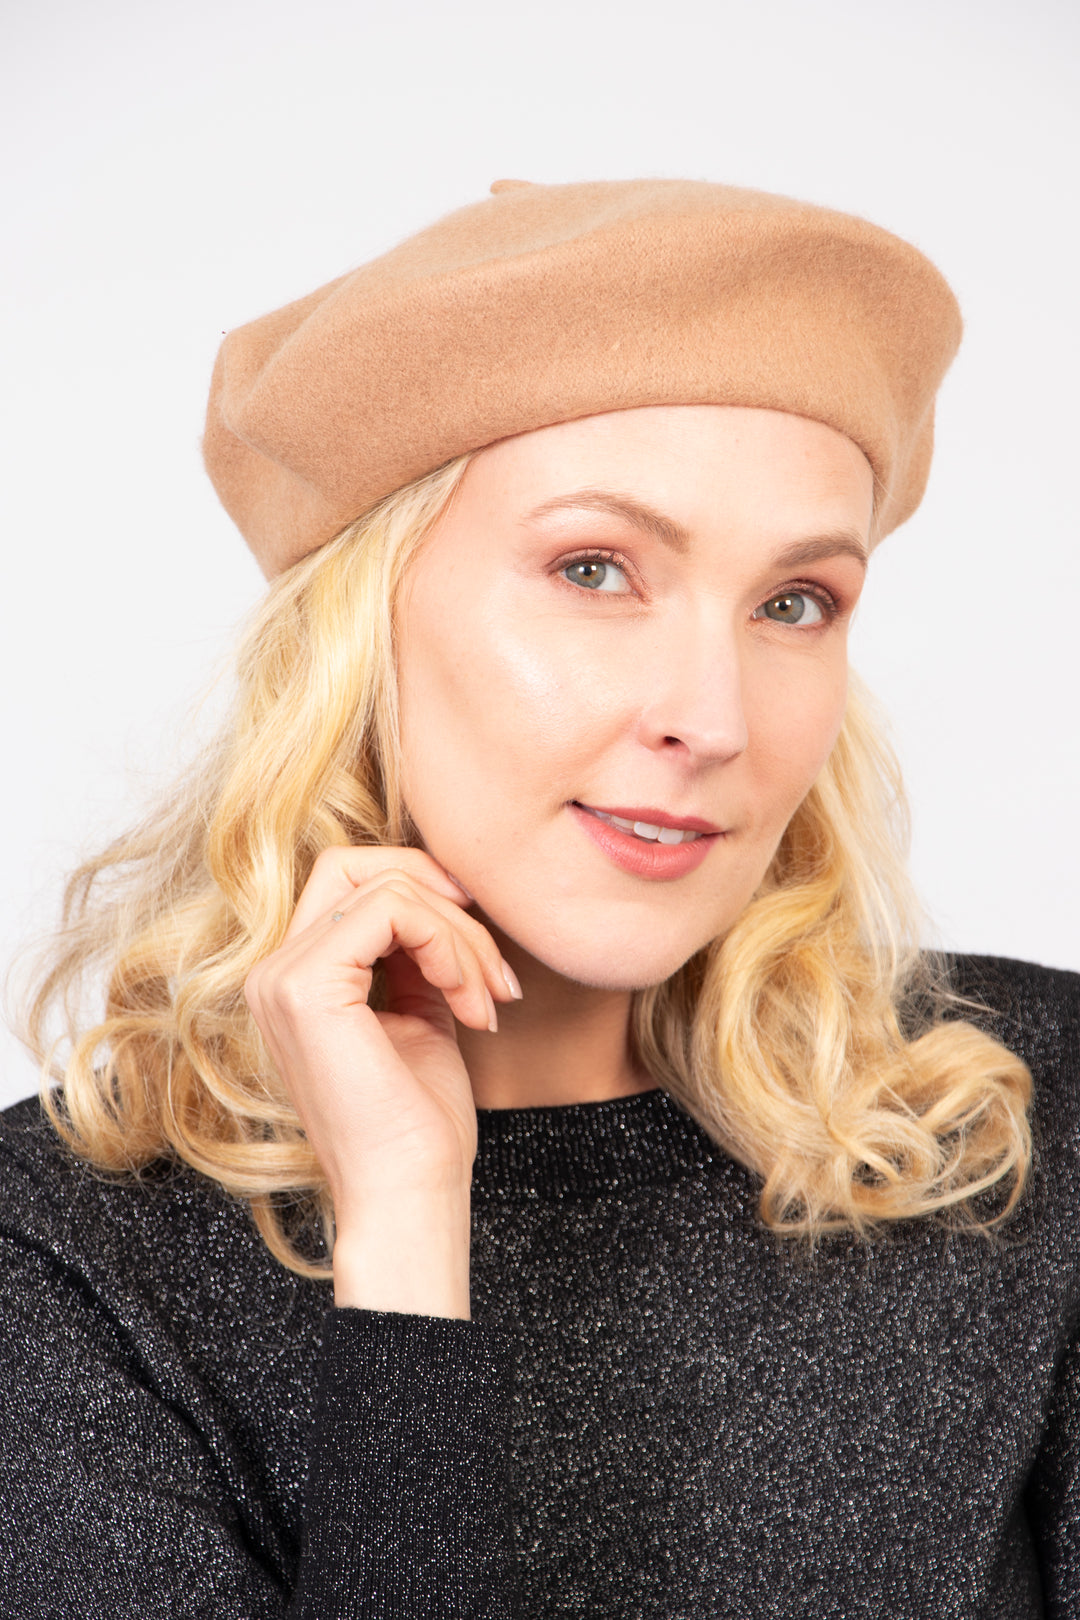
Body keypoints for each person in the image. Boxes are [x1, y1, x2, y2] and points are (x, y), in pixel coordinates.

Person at [1, 176, 1076, 1620]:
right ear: (360, 625)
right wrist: (399, 1242)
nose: (713, 716)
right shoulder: (71, 1263)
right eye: (593, 569)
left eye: (795, 602)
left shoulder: (1022, 1114)